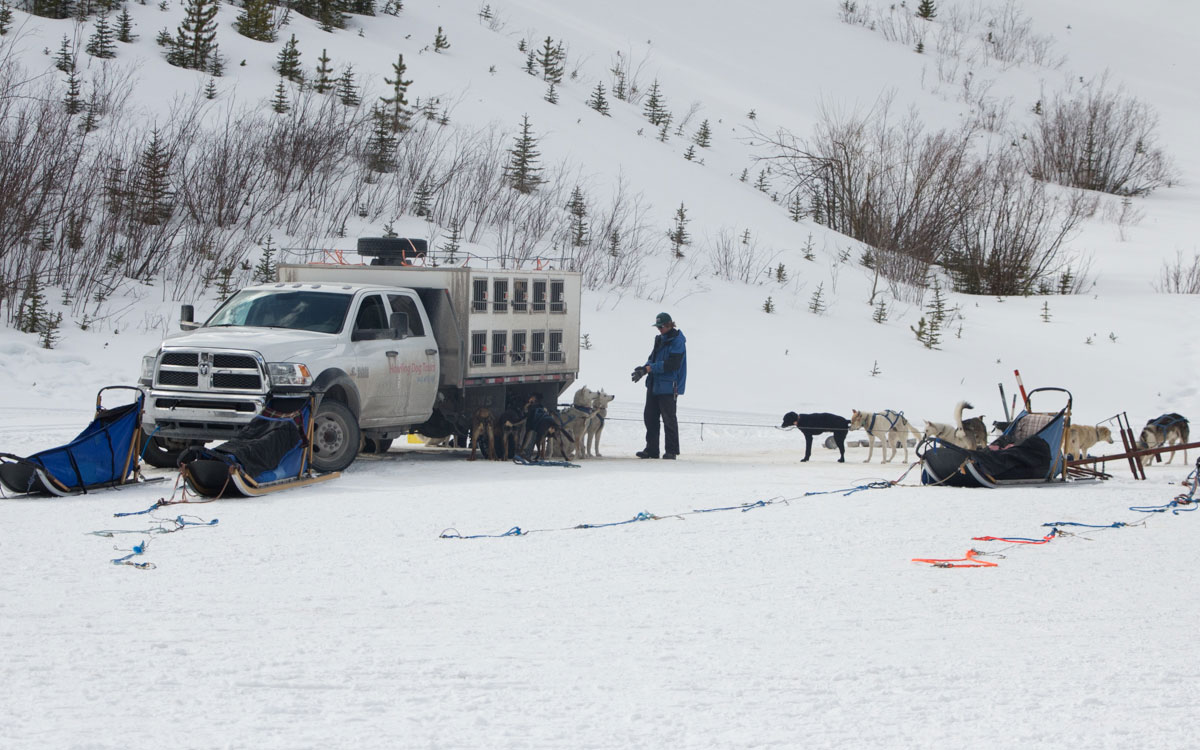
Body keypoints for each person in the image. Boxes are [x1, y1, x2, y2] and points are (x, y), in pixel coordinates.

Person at [636, 312, 687, 460]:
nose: (659, 329)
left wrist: (650, 368)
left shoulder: (677, 341)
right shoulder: (660, 339)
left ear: (670, 325)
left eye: (661, 326)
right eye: (658, 327)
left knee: (668, 418)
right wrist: (643, 369)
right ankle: (651, 449)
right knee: (650, 417)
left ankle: (671, 450)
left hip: (669, 385)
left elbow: (673, 364)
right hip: (654, 383)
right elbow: (652, 359)